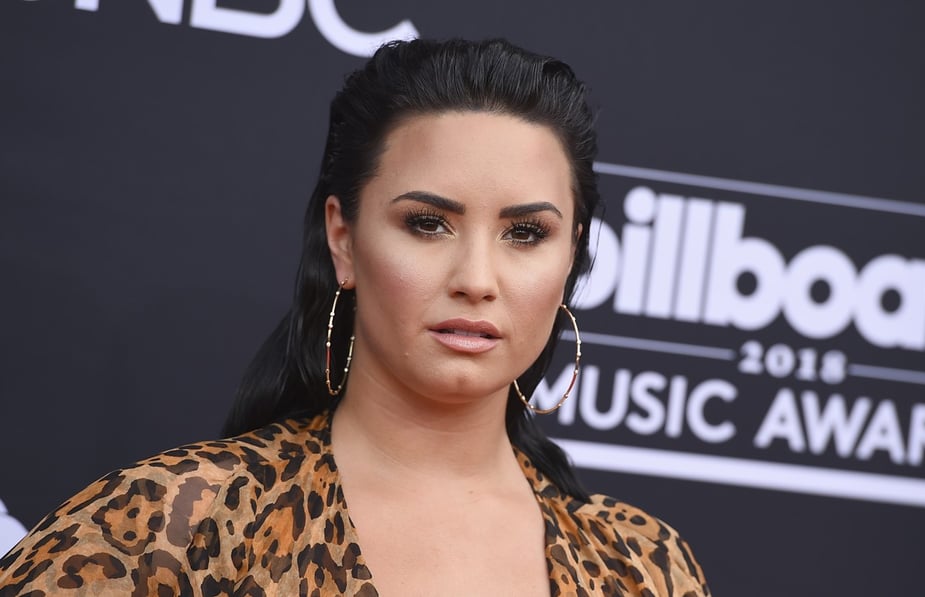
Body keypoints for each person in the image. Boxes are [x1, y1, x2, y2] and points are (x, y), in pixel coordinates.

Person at [0, 38, 710, 596]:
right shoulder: (180, 523)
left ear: (572, 257)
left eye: (526, 233)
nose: (476, 280)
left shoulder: (641, 567)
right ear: (343, 237)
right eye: (428, 223)